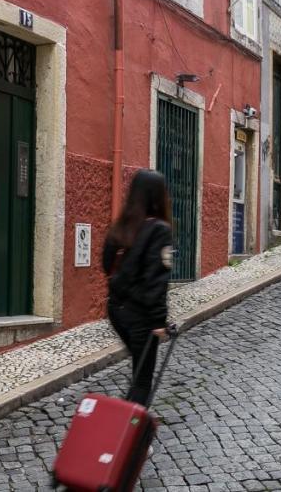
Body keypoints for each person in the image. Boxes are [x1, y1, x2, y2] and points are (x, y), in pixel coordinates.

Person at [102, 169, 175, 406]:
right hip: (141, 316)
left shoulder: (122, 226)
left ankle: (126, 425)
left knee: (138, 367)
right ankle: (131, 438)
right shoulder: (159, 230)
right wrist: (158, 321)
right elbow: (156, 279)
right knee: (142, 380)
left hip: (116, 310)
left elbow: (106, 263)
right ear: (158, 196)